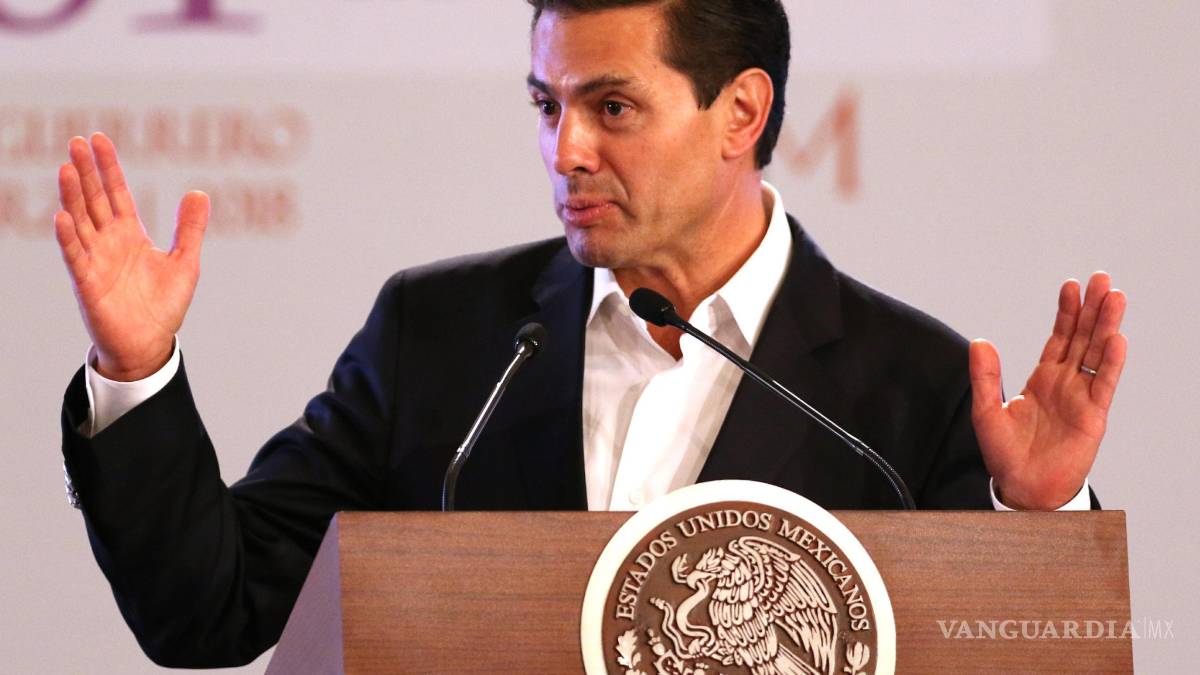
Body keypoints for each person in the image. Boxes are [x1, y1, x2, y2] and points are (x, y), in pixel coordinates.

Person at [53, 0, 1127, 667]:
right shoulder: (442, 339)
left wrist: (1037, 524)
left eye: (612, 108)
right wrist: (135, 372)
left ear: (740, 114)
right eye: (545, 104)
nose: (565, 149)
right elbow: (211, 609)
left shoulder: (908, 386)